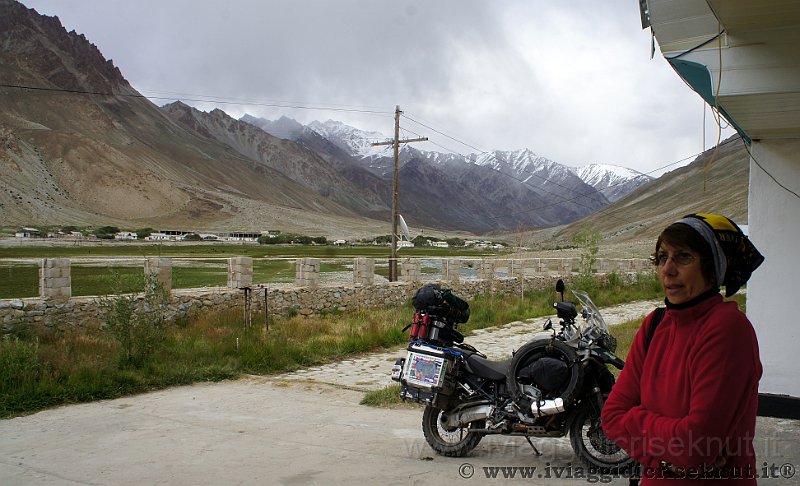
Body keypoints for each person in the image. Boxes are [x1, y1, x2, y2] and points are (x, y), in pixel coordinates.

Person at [602, 213, 765, 484]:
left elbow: (695, 445)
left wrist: (636, 422)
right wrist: (665, 460)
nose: (667, 269)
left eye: (684, 257)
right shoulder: (654, 325)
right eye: (662, 257)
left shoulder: (727, 329)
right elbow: (611, 416)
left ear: (713, 269)